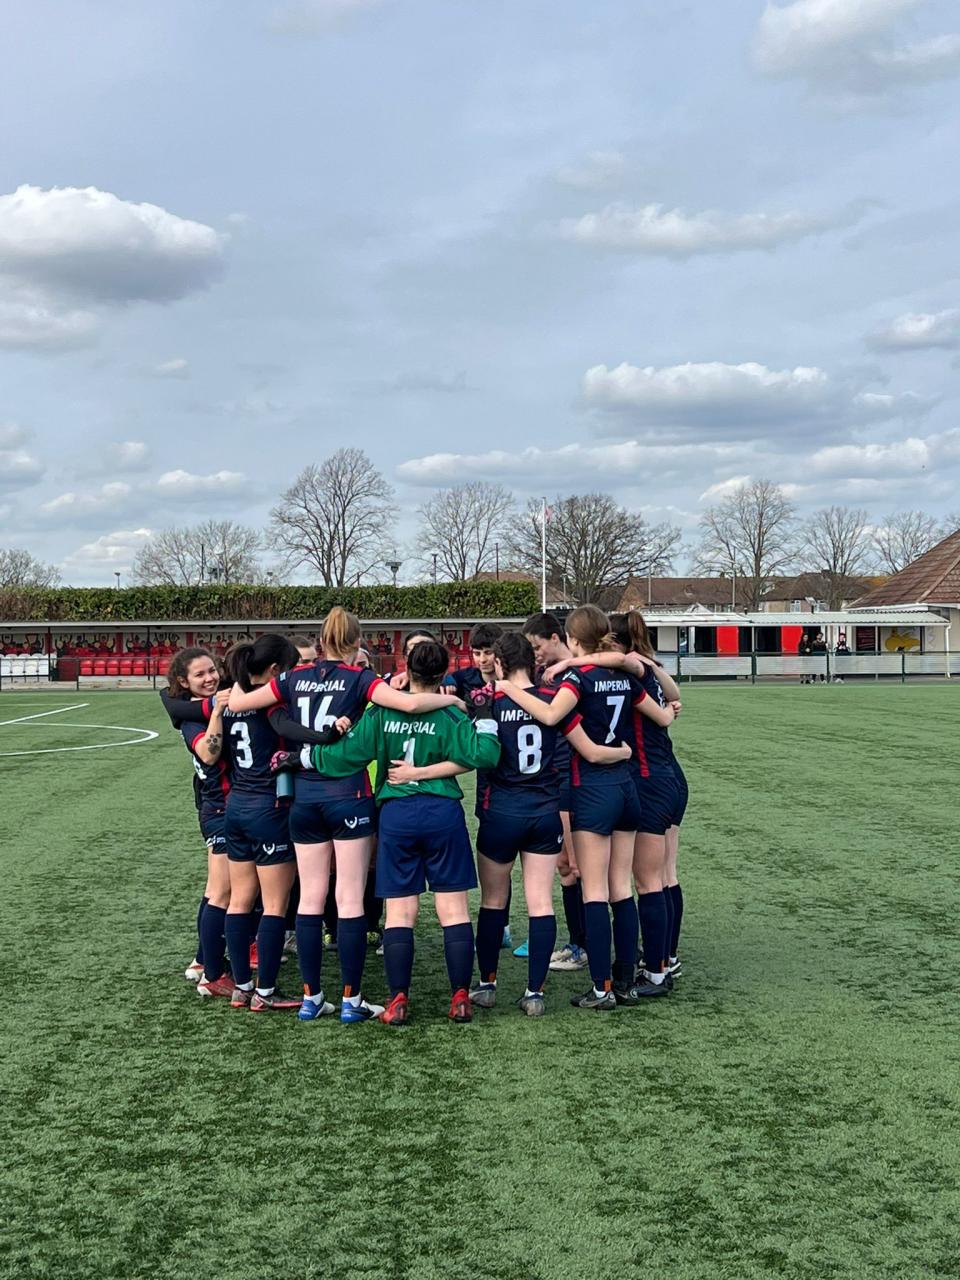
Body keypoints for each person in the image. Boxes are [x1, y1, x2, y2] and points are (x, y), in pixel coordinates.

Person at [228, 607, 463, 1024]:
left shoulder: (291, 678)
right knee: (349, 896)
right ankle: (352, 1001)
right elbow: (408, 706)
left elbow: (240, 701)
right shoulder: (360, 678)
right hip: (348, 794)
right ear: (356, 644)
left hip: (304, 798)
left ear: (320, 642)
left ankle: (310, 997)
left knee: (312, 897)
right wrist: (456, 701)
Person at [311, 640, 501, 1026]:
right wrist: (484, 717)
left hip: (397, 814)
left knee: (400, 912)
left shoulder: (382, 712)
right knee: (454, 910)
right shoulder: (451, 715)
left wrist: (304, 755)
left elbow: (342, 757)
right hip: (442, 813)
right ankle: (460, 996)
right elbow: (485, 754)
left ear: (406, 668)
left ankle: (398, 999)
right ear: (443, 673)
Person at [496, 605, 676, 1009]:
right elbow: (663, 716)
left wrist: (509, 690)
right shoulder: (625, 676)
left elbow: (549, 713)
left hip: (592, 790)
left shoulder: (578, 677)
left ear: (573, 640)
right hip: (628, 788)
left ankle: (601, 988)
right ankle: (627, 981)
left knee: (594, 890)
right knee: (620, 889)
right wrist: (663, 717)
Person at [471, 632, 632, 1015]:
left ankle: (487, 984)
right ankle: (534, 992)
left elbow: (475, 750)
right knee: (541, 902)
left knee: (493, 901)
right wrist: (623, 751)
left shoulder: (486, 699)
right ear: (534, 661)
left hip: (500, 811)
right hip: (544, 812)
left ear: (500, 663)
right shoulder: (554, 699)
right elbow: (590, 751)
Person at [211, 636, 313, 1010]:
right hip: (268, 807)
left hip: (235, 806)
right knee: (274, 905)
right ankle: (265, 992)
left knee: (240, 900)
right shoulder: (270, 700)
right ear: (274, 671)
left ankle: (241, 986)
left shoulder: (230, 698)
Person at [522, 612, 588, 973]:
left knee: (581, 865)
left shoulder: (579, 670)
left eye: (537, 646)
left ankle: (590, 943)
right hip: (555, 776)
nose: (536, 654)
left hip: (578, 775)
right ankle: (578, 942)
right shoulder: (543, 674)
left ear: (554, 636)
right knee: (566, 865)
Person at [161, 648, 230, 983]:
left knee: (216, 889)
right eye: (200, 674)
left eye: (212, 670)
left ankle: (203, 960)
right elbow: (209, 753)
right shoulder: (192, 719)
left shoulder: (217, 697)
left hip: (223, 805)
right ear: (183, 681)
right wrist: (216, 712)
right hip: (219, 807)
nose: (209, 678)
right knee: (222, 892)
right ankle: (210, 972)